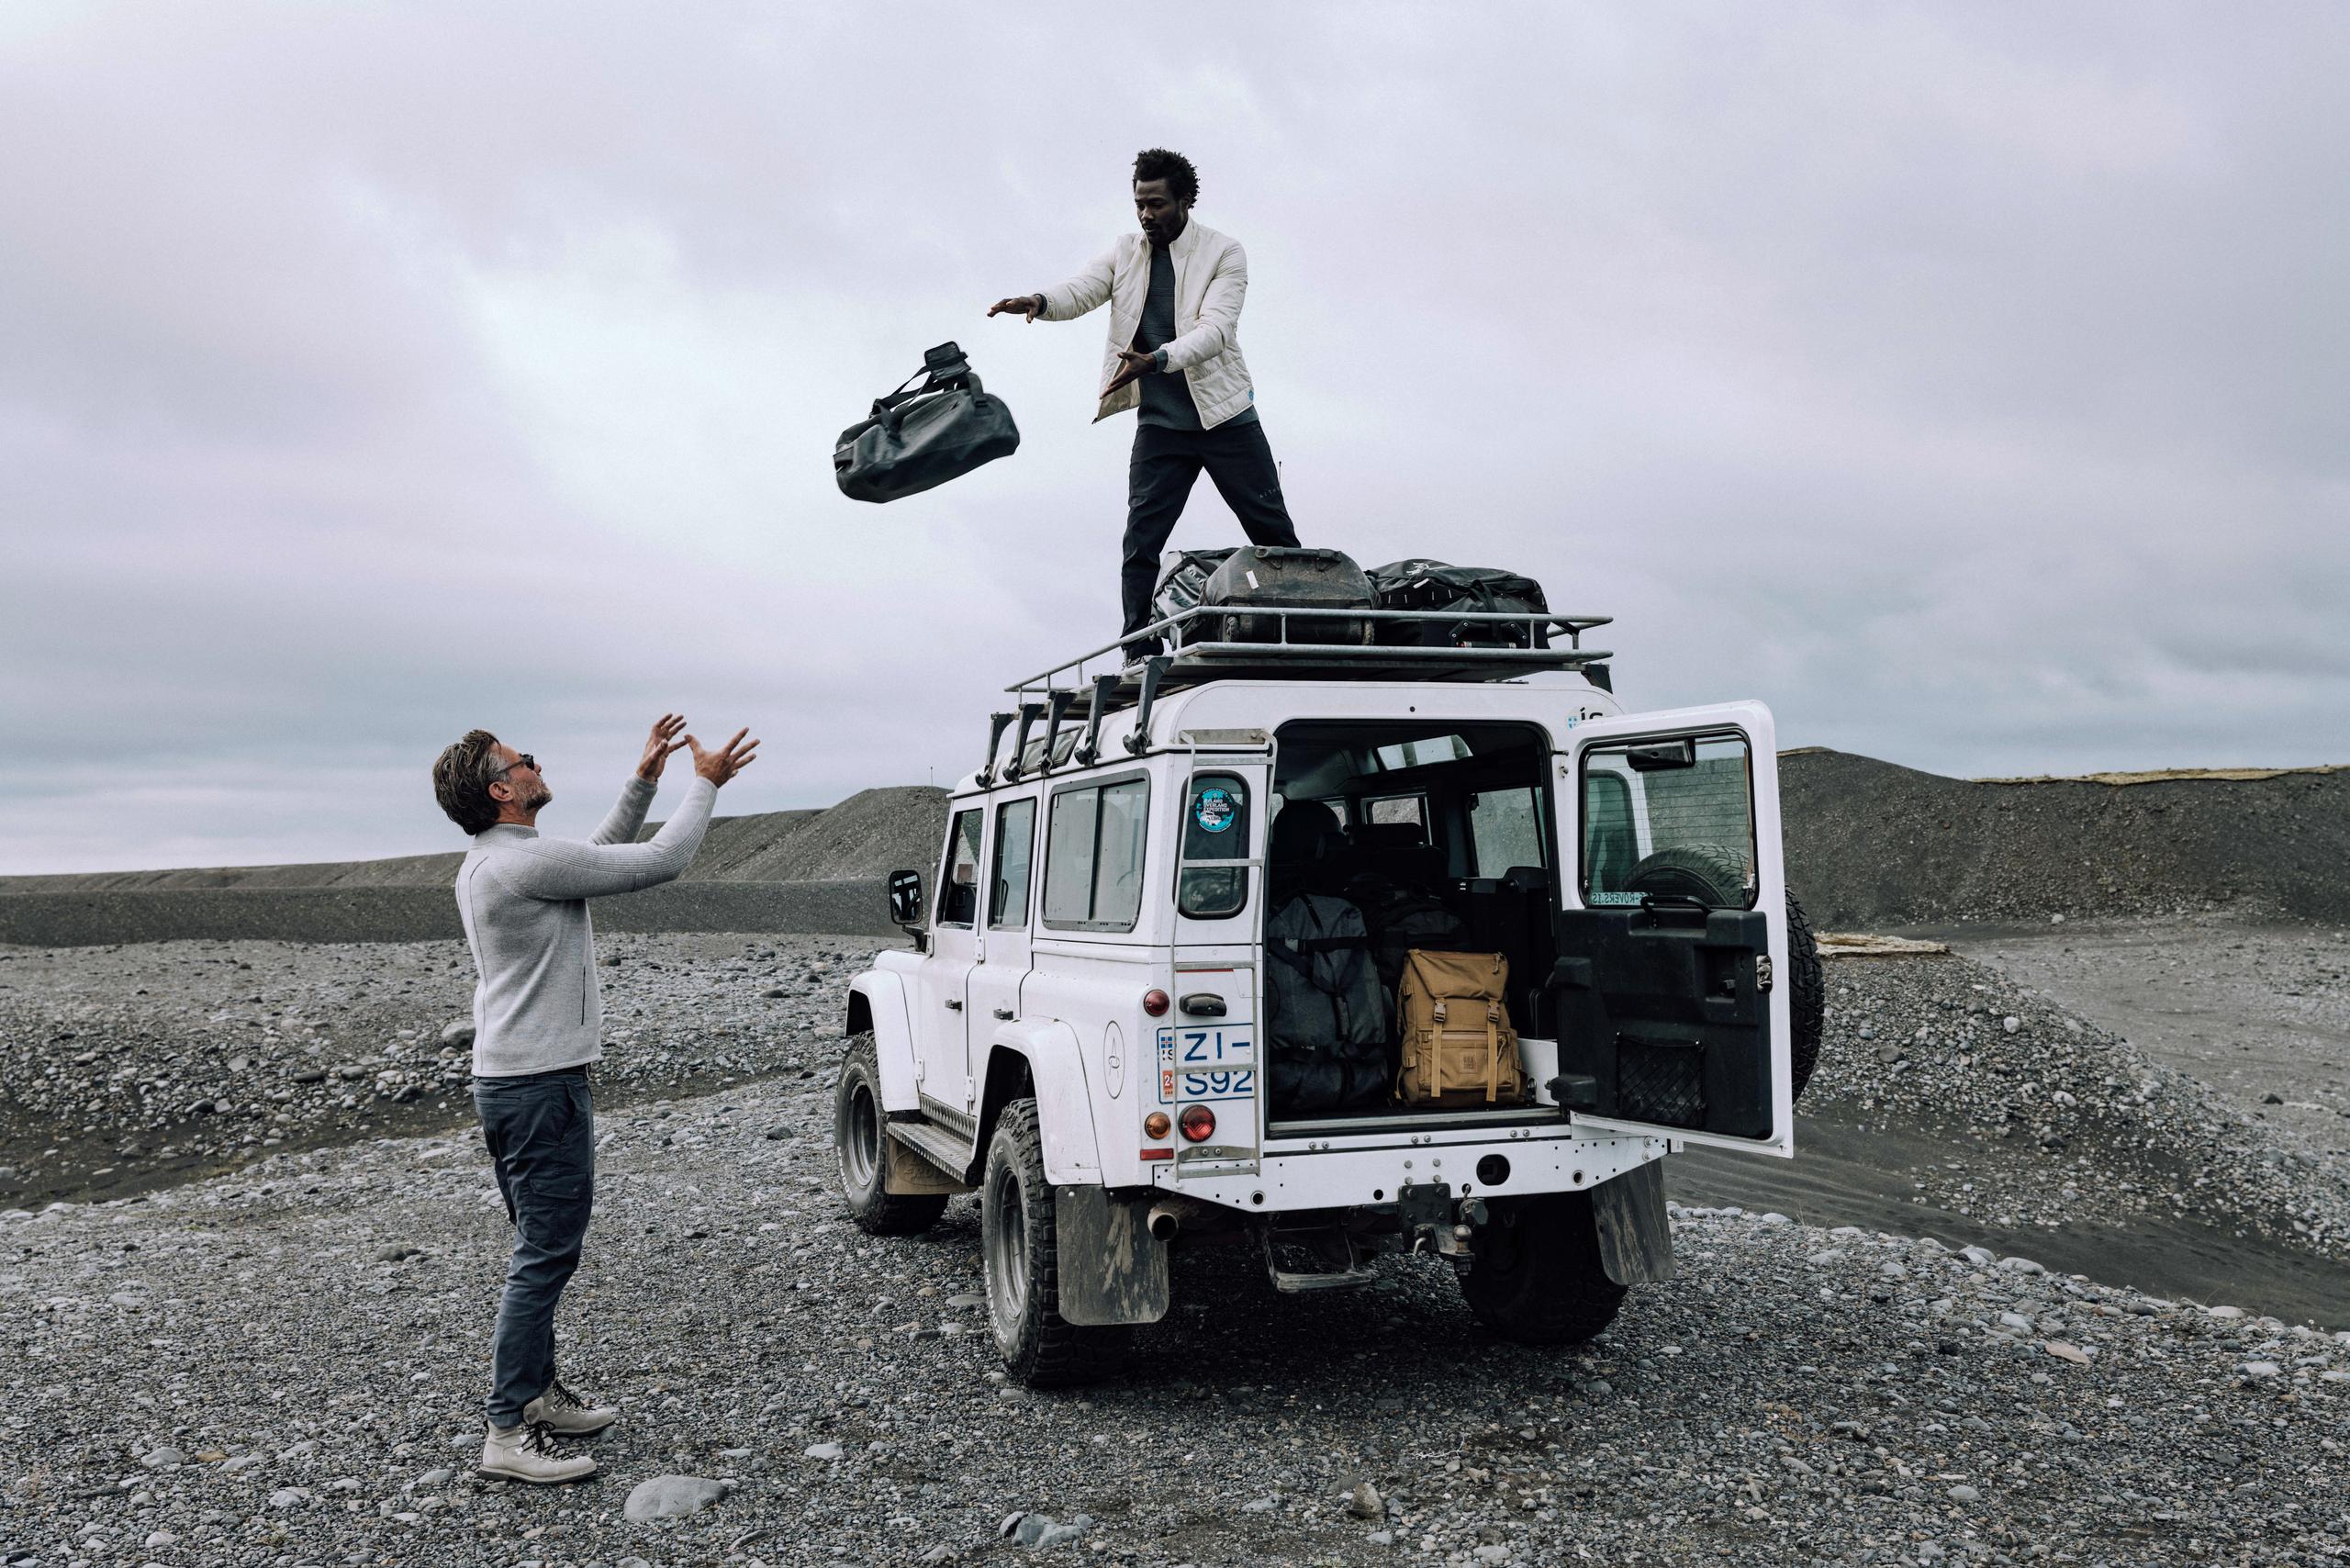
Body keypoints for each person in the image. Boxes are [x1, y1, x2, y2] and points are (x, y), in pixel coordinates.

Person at [430, 714, 759, 1484]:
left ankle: (536, 1395)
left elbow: (596, 856)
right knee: (544, 1256)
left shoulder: (505, 858)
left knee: (540, 1248)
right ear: (503, 789)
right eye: (524, 760)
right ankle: (506, 1430)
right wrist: (703, 782)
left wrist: (643, 779)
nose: (537, 763)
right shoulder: (517, 864)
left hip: (516, 1083)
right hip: (538, 1087)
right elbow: (659, 862)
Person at [990, 147, 1301, 662]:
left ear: (1185, 200)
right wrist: (1039, 303)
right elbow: (1083, 289)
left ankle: (1307, 622)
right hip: (1162, 426)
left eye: (1157, 204)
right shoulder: (1126, 251)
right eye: (1139, 204)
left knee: (1273, 533)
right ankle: (1138, 645)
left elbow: (1216, 332)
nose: (1146, 215)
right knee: (1141, 542)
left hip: (1225, 418)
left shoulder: (1224, 253)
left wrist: (1154, 360)